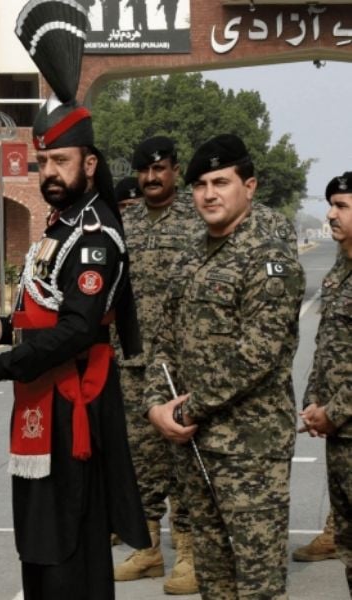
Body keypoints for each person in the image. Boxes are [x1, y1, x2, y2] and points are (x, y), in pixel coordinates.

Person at [0, 7, 149, 593]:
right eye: (43, 162)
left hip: (73, 402)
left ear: (90, 163)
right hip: (45, 396)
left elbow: (79, 329)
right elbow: (44, 310)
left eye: (60, 161)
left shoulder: (94, 236)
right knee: (41, 542)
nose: (49, 172)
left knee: (66, 548)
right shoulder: (62, 224)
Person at [145, 134, 304, 599]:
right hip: (195, 449)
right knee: (214, 581)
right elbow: (164, 339)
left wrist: (185, 412)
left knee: (257, 585)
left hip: (249, 450)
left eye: (221, 181)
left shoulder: (268, 256)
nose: (208, 194)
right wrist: (157, 404)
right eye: (199, 184)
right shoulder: (192, 255)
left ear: (249, 186)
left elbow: (257, 352)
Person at [113, 136, 201, 595]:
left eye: (160, 169)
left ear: (174, 170)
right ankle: (147, 549)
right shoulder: (125, 228)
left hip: (180, 364)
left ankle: (189, 552)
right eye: (145, 171)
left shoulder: (196, 219)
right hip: (132, 362)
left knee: (182, 457)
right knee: (141, 461)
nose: (151, 178)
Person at [299, 170, 352, 593]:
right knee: (347, 544)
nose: (330, 214)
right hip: (340, 436)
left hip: (345, 422)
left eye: (342, 207)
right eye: (330, 205)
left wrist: (333, 412)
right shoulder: (341, 268)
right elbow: (327, 344)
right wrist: (314, 402)